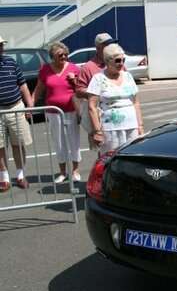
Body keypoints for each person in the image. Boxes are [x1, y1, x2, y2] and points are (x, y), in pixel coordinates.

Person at [31, 42, 82, 183]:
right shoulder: (45, 69)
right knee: (59, 142)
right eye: (60, 55)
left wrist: (74, 80)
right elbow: (38, 90)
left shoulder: (73, 68)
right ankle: (62, 172)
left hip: (71, 110)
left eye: (66, 54)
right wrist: (29, 106)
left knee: (74, 140)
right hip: (53, 112)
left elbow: (80, 89)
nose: (64, 57)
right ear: (53, 56)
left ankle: (75, 171)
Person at [86, 43, 144, 155]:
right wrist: (97, 131)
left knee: (132, 157)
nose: (121, 63)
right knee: (111, 158)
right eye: (118, 60)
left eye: (123, 60)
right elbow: (92, 106)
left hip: (132, 126)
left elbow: (135, 102)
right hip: (110, 128)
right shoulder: (98, 78)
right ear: (107, 60)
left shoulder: (128, 76)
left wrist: (140, 125)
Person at [0, 35, 34, 191]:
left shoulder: (11, 62)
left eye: (1, 45)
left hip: (16, 107)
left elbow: (23, 85)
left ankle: (20, 176)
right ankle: (4, 178)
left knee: (18, 144)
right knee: (0, 146)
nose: (0, 48)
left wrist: (29, 106)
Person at [75, 33, 119, 150]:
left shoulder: (118, 62)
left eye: (113, 44)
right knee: (104, 152)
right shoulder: (88, 67)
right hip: (100, 116)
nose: (112, 46)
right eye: (108, 45)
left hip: (120, 116)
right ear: (99, 47)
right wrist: (97, 92)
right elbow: (79, 91)